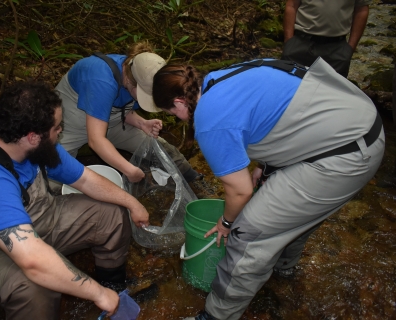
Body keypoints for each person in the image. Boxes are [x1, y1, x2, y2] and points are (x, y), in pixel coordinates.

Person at [152, 58, 385, 319]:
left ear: (181, 102)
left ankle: (217, 315)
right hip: (356, 121)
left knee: (248, 233)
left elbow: (240, 192)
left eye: (173, 112)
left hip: (344, 156)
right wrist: (266, 163)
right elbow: (270, 112)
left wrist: (227, 224)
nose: (178, 119)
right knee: (287, 214)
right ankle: (283, 268)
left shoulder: (209, 120)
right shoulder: (221, 76)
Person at [0, 82, 150, 319]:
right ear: (32, 137)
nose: (60, 131)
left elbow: (85, 180)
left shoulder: (28, 142)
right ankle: (98, 296)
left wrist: (132, 203)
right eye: (57, 127)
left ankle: (114, 288)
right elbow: (32, 262)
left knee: (111, 215)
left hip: (39, 217)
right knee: (35, 284)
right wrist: (96, 293)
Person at [55, 41, 203, 184]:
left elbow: (118, 109)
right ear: (130, 82)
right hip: (69, 125)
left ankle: (193, 181)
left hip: (111, 123)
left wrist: (142, 123)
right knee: (55, 171)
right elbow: (96, 141)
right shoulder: (102, 80)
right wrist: (129, 170)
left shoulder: (144, 74)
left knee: (160, 149)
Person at [282, 0, 371, 77]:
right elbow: (292, 5)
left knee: (331, 93)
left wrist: (350, 48)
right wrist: (289, 41)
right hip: (300, 43)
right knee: (290, 90)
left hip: (336, 50)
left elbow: (362, 10)